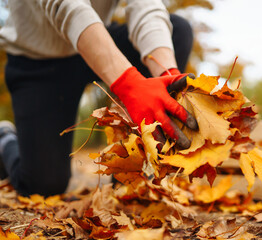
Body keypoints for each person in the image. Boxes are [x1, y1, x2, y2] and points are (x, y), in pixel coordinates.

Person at [0, 0, 198, 197]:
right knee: (44, 186)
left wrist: (167, 75)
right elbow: (65, 4)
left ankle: (129, 178)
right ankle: (5, 138)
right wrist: (129, 84)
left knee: (177, 30)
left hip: (97, 37)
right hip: (39, 58)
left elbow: (145, 5)